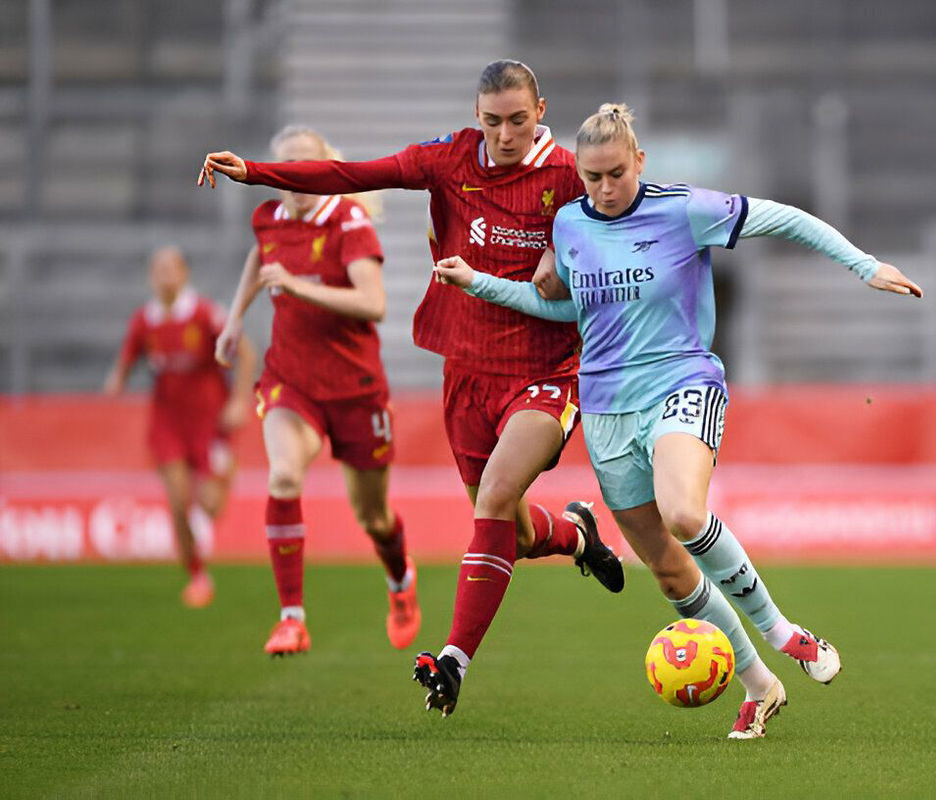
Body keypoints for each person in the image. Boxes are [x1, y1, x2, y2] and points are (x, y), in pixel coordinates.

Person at [434, 103, 924, 739]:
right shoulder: (570, 225)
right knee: (667, 568)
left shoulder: (685, 209)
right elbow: (566, 311)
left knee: (685, 513)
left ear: (640, 160)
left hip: (681, 381)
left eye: (616, 173)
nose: (605, 189)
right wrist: (479, 283)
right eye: (591, 178)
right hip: (606, 407)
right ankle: (759, 686)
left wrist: (866, 266)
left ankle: (785, 633)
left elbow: (789, 219)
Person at [198, 61, 624, 704]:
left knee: (494, 499)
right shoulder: (447, 159)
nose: (505, 134)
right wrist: (257, 172)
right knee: (510, 524)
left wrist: (565, 252)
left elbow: (622, 218)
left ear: (541, 109)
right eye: (492, 121)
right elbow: (351, 174)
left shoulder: (569, 174)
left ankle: (452, 659)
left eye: (518, 119)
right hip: (466, 372)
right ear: (476, 116)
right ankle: (574, 533)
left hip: (545, 373)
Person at [211, 125, 420, 656]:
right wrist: (235, 318)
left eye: (309, 167)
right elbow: (262, 257)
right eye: (290, 169)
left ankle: (400, 580)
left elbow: (373, 304)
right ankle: (291, 619)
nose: (299, 179)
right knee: (283, 476)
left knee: (373, 517)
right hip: (292, 379)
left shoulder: (348, 221)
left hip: (355, 387)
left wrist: (299, 285)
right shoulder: (271, 218)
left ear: (326, 168)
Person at [104, 245, 255, 607]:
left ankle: (225, 471)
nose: (165, 275)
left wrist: (238, 401)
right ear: (151, 277)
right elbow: (128, 357)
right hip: (168, 421)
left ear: (184, 273)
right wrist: (117, 380)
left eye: (171, 268)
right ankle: (198, 575)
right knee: (177, 500)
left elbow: (246, 353)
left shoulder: (204, 313)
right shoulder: (145, 320)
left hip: (209, 422)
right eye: (159, 269)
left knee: (210, 505)